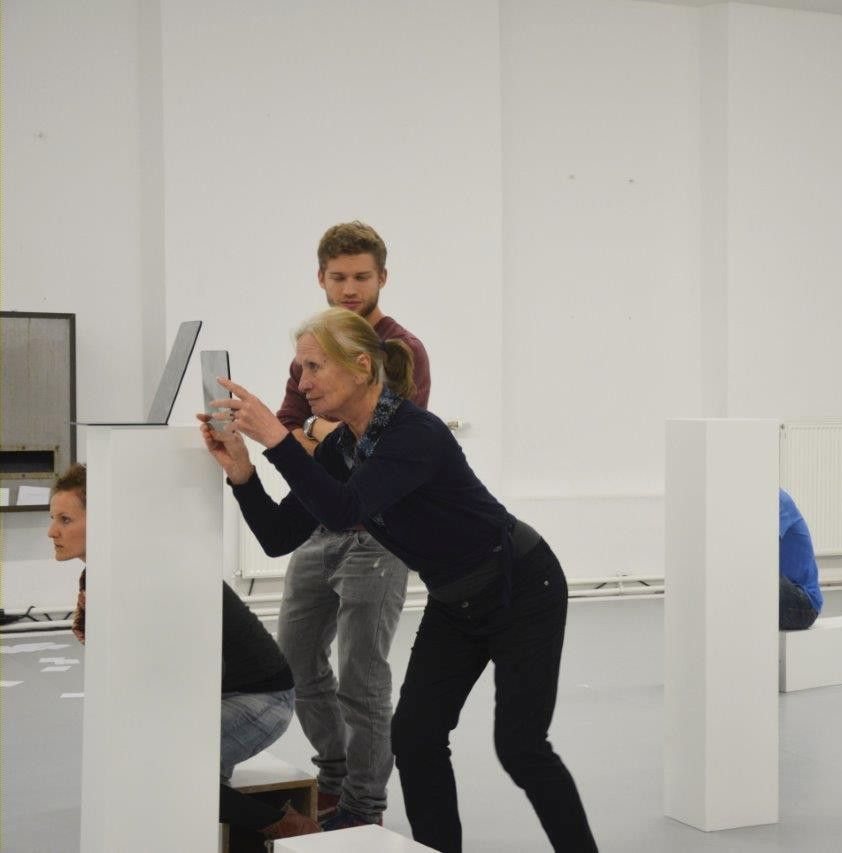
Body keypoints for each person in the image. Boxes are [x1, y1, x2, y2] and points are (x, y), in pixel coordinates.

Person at [199, 308, 597, 853]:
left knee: (521, 748)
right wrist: (243, 473)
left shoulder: (414, 434)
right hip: (454, 602)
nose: (302, 383)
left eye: (313, 367)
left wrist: (277, 439)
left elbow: (346, 509)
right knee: (415, 738)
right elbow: (278, 535)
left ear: (361, 366)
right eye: (300, 369)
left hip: (522, 587)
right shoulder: (342, 447)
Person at [46, 464, 319, 841]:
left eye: (65, 519)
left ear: (106, 519)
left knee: (157, 771)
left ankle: (290, 828)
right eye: (53, 519)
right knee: (141, 763)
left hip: (260, 700)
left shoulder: (149, 571)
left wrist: (169, 738)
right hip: (217, 694)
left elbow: (195, 665)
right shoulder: (105, 574)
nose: (52, 531)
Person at [273, 221, 430, 829]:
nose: (349, 288)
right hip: (319, 524)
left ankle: (364, 806)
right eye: (338, 277)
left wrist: (313, 434)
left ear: (382, 277)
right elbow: (287, 428)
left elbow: (388, 442)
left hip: (379, 535)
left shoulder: (403, 349)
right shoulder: (314, 343)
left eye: (362, 276)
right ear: (320, 277)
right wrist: (321, 431)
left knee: (361, 676)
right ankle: (335, 776)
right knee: (295, 660)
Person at [778, 489, 823, 630]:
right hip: (785, 591)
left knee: (760, 581)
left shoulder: (777, 500)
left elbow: (758, 554)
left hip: (804, 602)